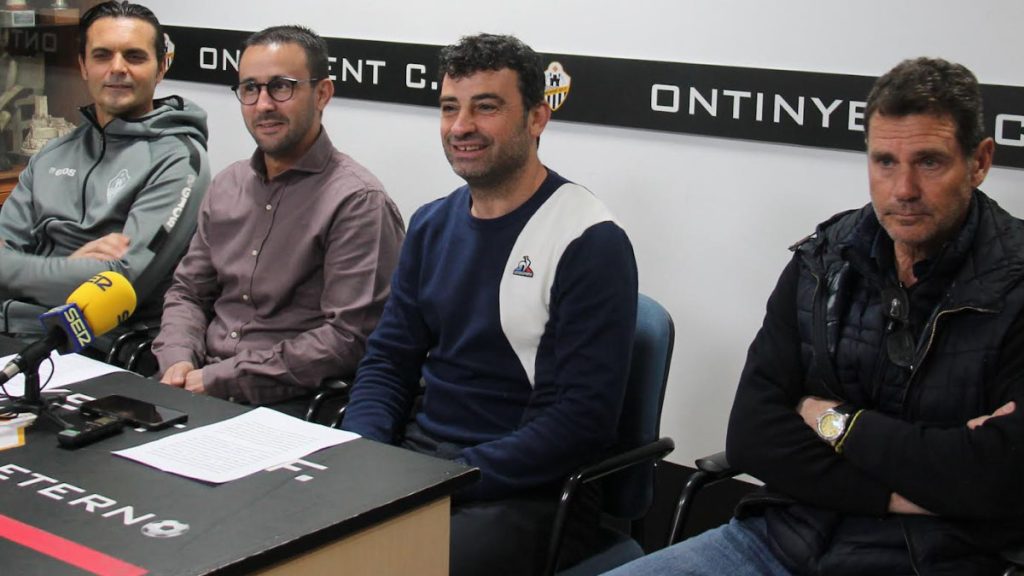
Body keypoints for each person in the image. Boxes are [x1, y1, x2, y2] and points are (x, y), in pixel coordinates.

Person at [607, 57, 1024, 576]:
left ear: (980, 161)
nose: (903, 190)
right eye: (885, 162)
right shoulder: (825, 258)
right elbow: (753, 435)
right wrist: (901, 490)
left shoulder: (1015, 284)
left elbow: (999, 476)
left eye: (930, 162)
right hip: (783, 535)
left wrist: (828, 419)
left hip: (928, 557)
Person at [341, 33, 639, 575]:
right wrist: (362, 454)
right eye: (450, 108)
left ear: (537, 118)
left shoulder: (589, 240)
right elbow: (388, 359)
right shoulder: (431, 223)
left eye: (486, 107)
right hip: (420, 463)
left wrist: (447, 480)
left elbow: (578, 424)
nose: (461, 127)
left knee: (383, 566)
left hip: (529, 492)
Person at [151, 25, 404, 417]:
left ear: (323, 93)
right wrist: (178, 360)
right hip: (194, 385)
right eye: (250, 88)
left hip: (288, 405)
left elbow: (348, 338)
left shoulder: (357, 201)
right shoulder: (227, 185)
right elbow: (187, 292)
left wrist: (222, 378)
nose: (263, 104)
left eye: (281, 87)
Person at [0, 1, 210, 340]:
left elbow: (121, 283)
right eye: (102, 55)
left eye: (134, 56)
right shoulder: (52, 154)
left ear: (161, 67)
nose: (117, 68)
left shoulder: (179, 160)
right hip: (12, 331)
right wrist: (72, 270)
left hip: (97, 347)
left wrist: (17, 271)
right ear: (83, 66)